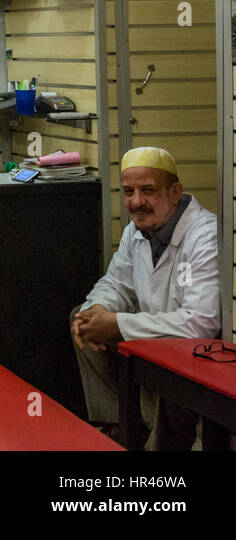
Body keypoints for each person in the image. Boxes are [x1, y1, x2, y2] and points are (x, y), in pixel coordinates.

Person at [70, 146, 221, 450]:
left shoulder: (205, 236)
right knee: (80, 318)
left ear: (175, 192)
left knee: (169, 364)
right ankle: (122, 428)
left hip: (194, 350)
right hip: (155, 336)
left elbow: (202, 323)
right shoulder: (136, 231)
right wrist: (96, 311)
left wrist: (118, 325)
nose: (136, 202)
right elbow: (116, 283)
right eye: (129, 191)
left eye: (148, 190)